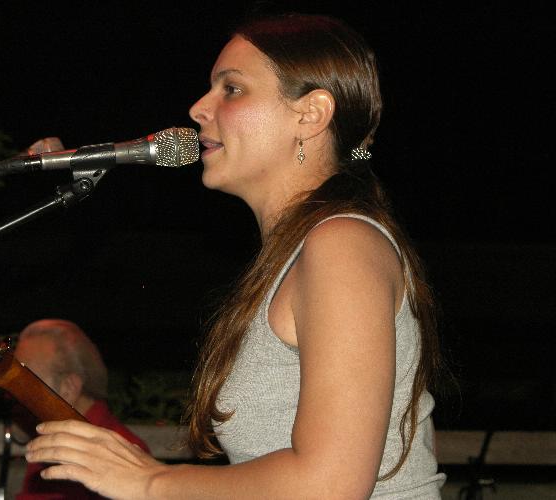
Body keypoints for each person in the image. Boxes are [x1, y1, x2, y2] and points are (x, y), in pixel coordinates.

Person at [25, 13, 447, 499]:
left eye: (232, 89)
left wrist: (151, 481)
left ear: (310, 114)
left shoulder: (342, 243)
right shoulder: (297, 254)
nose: (198, 108)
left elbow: (331, 484)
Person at [13, 319, 150, 500]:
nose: (13, 393)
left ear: (68, 387)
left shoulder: (116, 456)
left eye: (25, 382)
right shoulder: (57, 440)